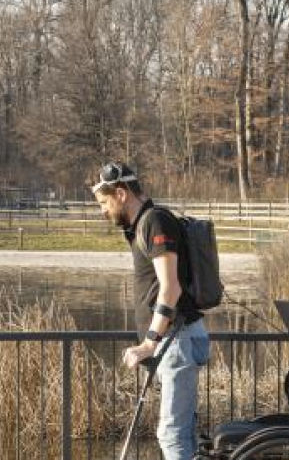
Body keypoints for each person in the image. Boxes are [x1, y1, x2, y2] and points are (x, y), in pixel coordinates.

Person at [91, 161, 209, 460]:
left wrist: (149, 342)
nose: (102, 211)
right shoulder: (141, 224)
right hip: (172, 341)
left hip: (176, 339)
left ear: (121, 194)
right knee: (179, 433)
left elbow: (171, 288)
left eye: (104, 203)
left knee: (171, 435)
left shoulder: (155, 222)